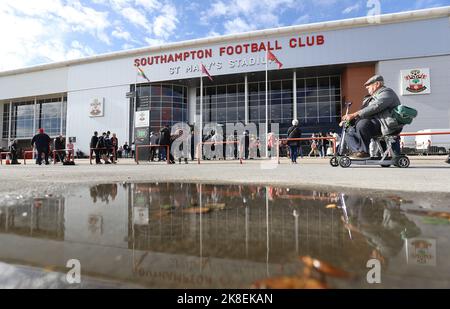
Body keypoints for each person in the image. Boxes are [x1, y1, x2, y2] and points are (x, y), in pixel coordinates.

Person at [342, 75, 403, 159]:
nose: (367, 89)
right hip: (374, 123)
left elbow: (375, 106)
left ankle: (364, 152)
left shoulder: (387, 92)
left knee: (363, 124)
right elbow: (363, 112)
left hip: (385, 124)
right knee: (347, 128)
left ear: (377, 84)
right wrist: (348, 120)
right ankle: (358, 151)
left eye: (369, 86)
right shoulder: (370, 98)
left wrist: (353, 115)